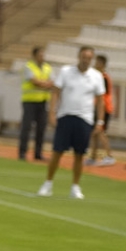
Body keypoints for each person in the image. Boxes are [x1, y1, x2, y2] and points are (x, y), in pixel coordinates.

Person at [37, 46, 105, 199]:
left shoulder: (96, 76)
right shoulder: (66, 71)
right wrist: (52, 112)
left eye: (89, 57)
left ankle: (75, 186)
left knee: (79, 154)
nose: (85, 60)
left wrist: (99, 121)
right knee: (57, 151)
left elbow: (100, 101)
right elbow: (56, 92)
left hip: (85, 118)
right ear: (78, 56)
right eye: (83, 56)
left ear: (92, 59)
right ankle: (48, 183)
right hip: (66, 115)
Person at [18, 46, 54, 161]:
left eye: (43, 55)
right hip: (29, 101)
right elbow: (34, 81)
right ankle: (22, 152)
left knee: (41, 128)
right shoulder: (29, 66)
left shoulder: (47, 68)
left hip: (43, 101)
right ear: (34, 56)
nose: (42, 57)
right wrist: (45, 84)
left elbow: (53, 82)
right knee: (26, 127)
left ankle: (38, 153)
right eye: (40, 55)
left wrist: (44, 84)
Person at [86, 54, 117, 167]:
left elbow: (101, 95)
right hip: (98, 107)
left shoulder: (103, 77)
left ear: (102, 64)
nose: (95, 64)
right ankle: (93, 156)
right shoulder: (99, 76)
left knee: (100, 132)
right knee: (94, 133)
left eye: (97, 62)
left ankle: (109, 156)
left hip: (104, 108)